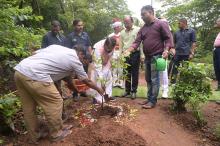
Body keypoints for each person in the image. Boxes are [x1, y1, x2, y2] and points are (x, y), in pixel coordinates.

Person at [14, 45, 104, 143]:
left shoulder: (57, 47)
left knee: (29, 108)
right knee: (56, 101)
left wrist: (77, 91)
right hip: (36, 75)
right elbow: (87, 81)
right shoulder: (75, 60)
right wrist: (99, 89)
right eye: (83, 61)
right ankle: (56, 134)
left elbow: (34, 53)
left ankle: (35, 135)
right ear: (81, 54)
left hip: (20, 71)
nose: (82, 64)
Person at [124, 5, 173, 109]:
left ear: (151, 12)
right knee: (148, 79)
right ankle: (149, 98)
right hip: (147, 57)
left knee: (154, 79)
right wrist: (129, 50)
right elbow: (137, 41)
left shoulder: (161, 24)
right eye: (141, 15)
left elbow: (168, 38)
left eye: (143, 14)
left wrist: (166, 50)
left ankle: (152, 101)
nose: (141, 17)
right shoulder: (143, 28)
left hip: (157, 56)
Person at [63, 19, 93, 99]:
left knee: (83, 76)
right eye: (79, 25)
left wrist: (90, 57)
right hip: (74, 61)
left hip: (84, 60)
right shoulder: (70, 36)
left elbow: (89, 46)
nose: (81, 27)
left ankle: (83, 91)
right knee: (75, 77)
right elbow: (67, 49)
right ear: (74, 26)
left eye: (82, 25)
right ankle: (75, 93)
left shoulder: (85, 35)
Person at [41, 20, 65, 98]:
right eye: (54, 26)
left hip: (60, 63)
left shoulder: (62, 37)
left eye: (57, 27)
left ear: (59, 27)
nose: (55, 28)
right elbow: (43, 50)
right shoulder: (46, 36)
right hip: (50, 63)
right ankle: (56, 97)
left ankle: (59, 97)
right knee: (53, 82)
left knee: (59, 81)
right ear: (51, 26)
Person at [120, 16, 141, 99]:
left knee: (135, 73)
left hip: (135, 53)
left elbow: (141, 43)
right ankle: (127, 90)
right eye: (124, 22)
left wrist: (142, 55)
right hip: (125, 55)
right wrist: (120, 55)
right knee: (126, 73)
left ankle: (134, 91)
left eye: (127, 22)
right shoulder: (122, 32)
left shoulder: (137, 30)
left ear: (132, 22)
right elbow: (121, 44)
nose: (126, 24)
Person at [90, 37, 116, 103]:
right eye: (107, 49)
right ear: (104, 44)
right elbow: (98, 67)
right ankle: (97, 99)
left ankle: (108, 96)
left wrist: (111, 66)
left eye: (109, 50)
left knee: (109, 76)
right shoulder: (97, 48)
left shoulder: (112, 45)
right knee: (97, 78)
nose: (108, 50)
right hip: (97, 62)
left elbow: (112, 57)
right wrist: (101, 80)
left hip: (106, 61)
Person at [170, 18, 197, 83]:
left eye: (179, 23)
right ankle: (172, 82)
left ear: (184, 23)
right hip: (177, 53)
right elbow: (173, 43)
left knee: (185, 69)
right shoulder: (176, 32)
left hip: (186, 53)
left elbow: (194, 43)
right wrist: (172, 49)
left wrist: (192, 53)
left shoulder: (192, 31)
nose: (178, 24)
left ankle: (183, 83)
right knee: (175, 68)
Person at [109, 18, 124, 88]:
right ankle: (114, 83)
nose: (120, 28)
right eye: (119, 27)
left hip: (121, 52)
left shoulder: (122, 34)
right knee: (114, 68)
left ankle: (120, 83)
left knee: (120, 68)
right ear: (116, 27)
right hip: (113, 52)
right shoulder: (110, 35)